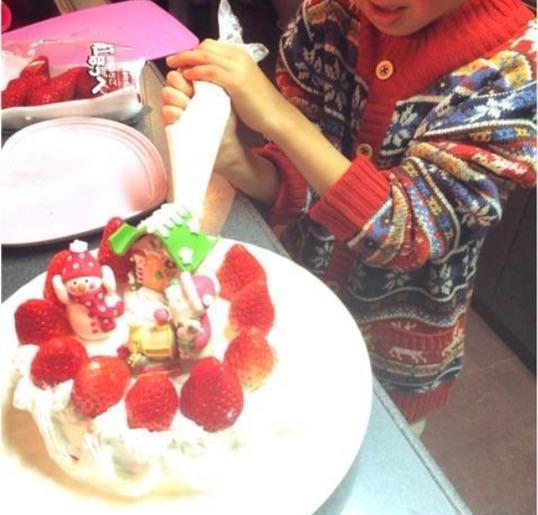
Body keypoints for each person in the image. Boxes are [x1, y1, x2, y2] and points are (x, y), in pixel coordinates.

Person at [161, 0, 536, 430]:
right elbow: (300, 179)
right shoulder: (327, 18)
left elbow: (405, 231)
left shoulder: (516, 72)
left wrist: (278, 116)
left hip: (391, 365)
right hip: (290, 319)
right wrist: (237, 161)